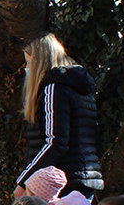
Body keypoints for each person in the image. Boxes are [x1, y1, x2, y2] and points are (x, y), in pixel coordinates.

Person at [15, 33, 103, 196]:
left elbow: (54, 142)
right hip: (84, 180)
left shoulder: (54, 88)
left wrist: (24, 181)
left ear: (40, 63)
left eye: (28, 63)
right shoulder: (81, 90)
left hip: (59, 184)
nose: (27, 69)